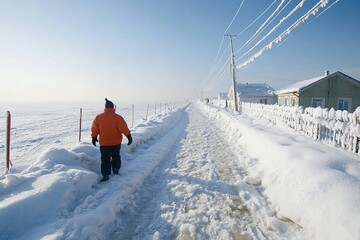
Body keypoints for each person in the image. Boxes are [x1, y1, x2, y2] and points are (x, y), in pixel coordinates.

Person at [91, 98, 133, 181]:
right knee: (116, 156)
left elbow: (95, 129)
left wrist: (94, 137)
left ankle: (105, 174)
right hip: (116, 143)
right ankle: (116, 169)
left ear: (105, 107)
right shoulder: (118, 117)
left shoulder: (98, 117)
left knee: (105, 159)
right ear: (113, 107)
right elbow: (123, 128)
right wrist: (129, 136)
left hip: (104, 144)